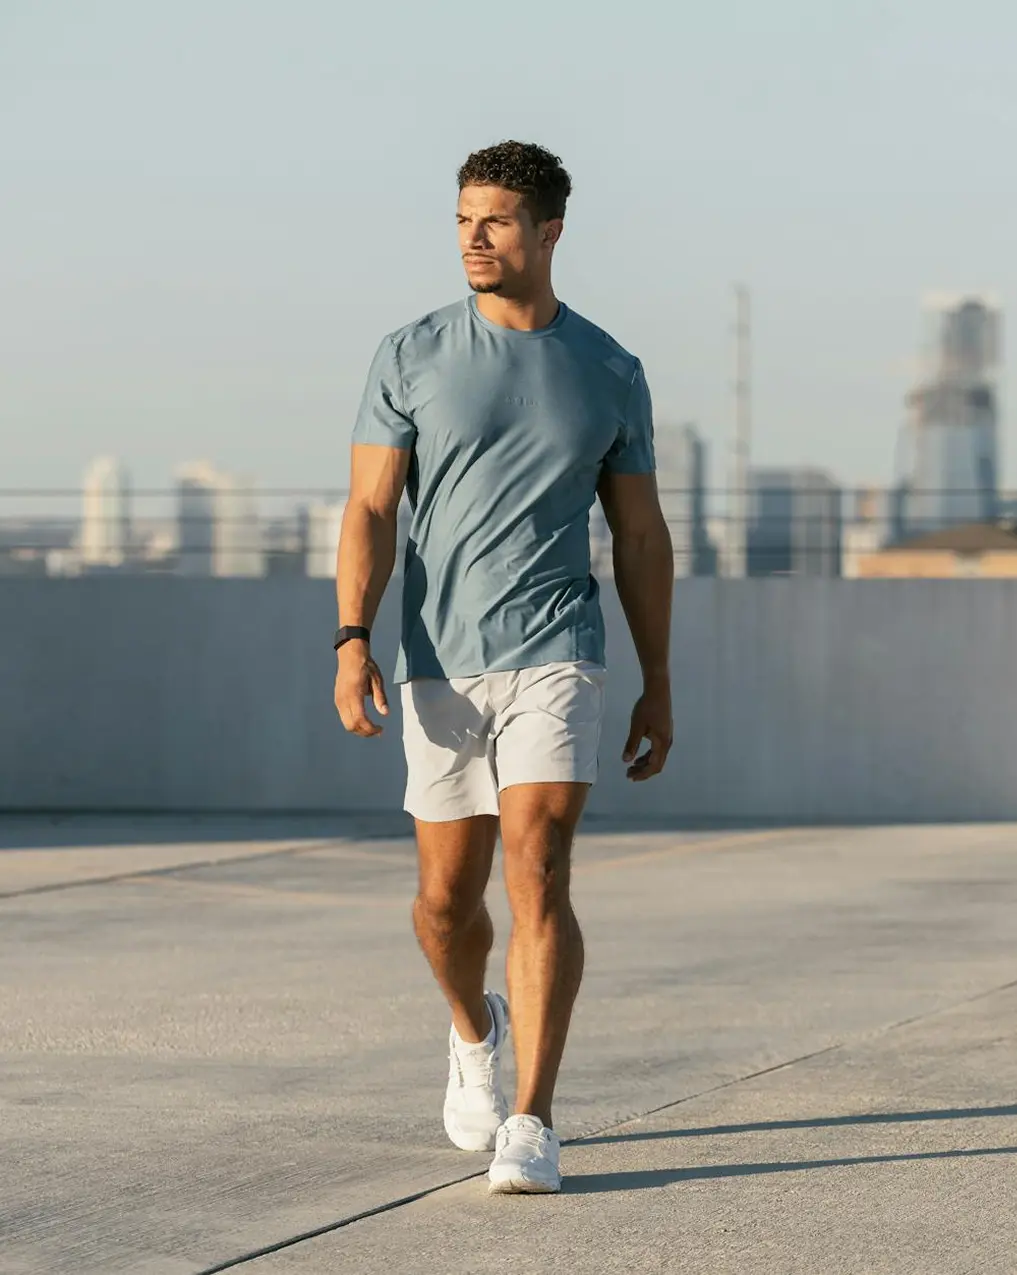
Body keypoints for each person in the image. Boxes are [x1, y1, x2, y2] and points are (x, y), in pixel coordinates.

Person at [334, 140, 674, 1194]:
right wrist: (352, 638)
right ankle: (472, 1030)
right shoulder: (409, 354)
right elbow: (371, 510)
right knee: (445, 902)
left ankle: (533, 1117)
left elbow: (644, 537)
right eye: (462, 218)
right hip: (440, 658)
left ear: (549, 232)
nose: (473, 237)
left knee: (540, 865)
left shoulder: (610, 369)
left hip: (559, 650)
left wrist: (660, 678)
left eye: (494, 220)